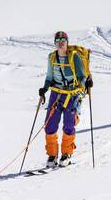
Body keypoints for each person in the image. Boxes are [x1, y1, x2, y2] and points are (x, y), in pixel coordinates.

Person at [38, 31, 92, 167]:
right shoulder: (51, 57)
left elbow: (81, 76)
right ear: (55, 43)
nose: (61, 43)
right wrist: (44, 88)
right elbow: (49, 77)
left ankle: (66, 153)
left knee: (69, 124)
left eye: (63, 40)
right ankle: (52, 155)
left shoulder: (74, 56)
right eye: (58, 40)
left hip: (72, 94)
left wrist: (86, 83)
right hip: (56, 94)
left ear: (67, 42)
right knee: (50, 124)